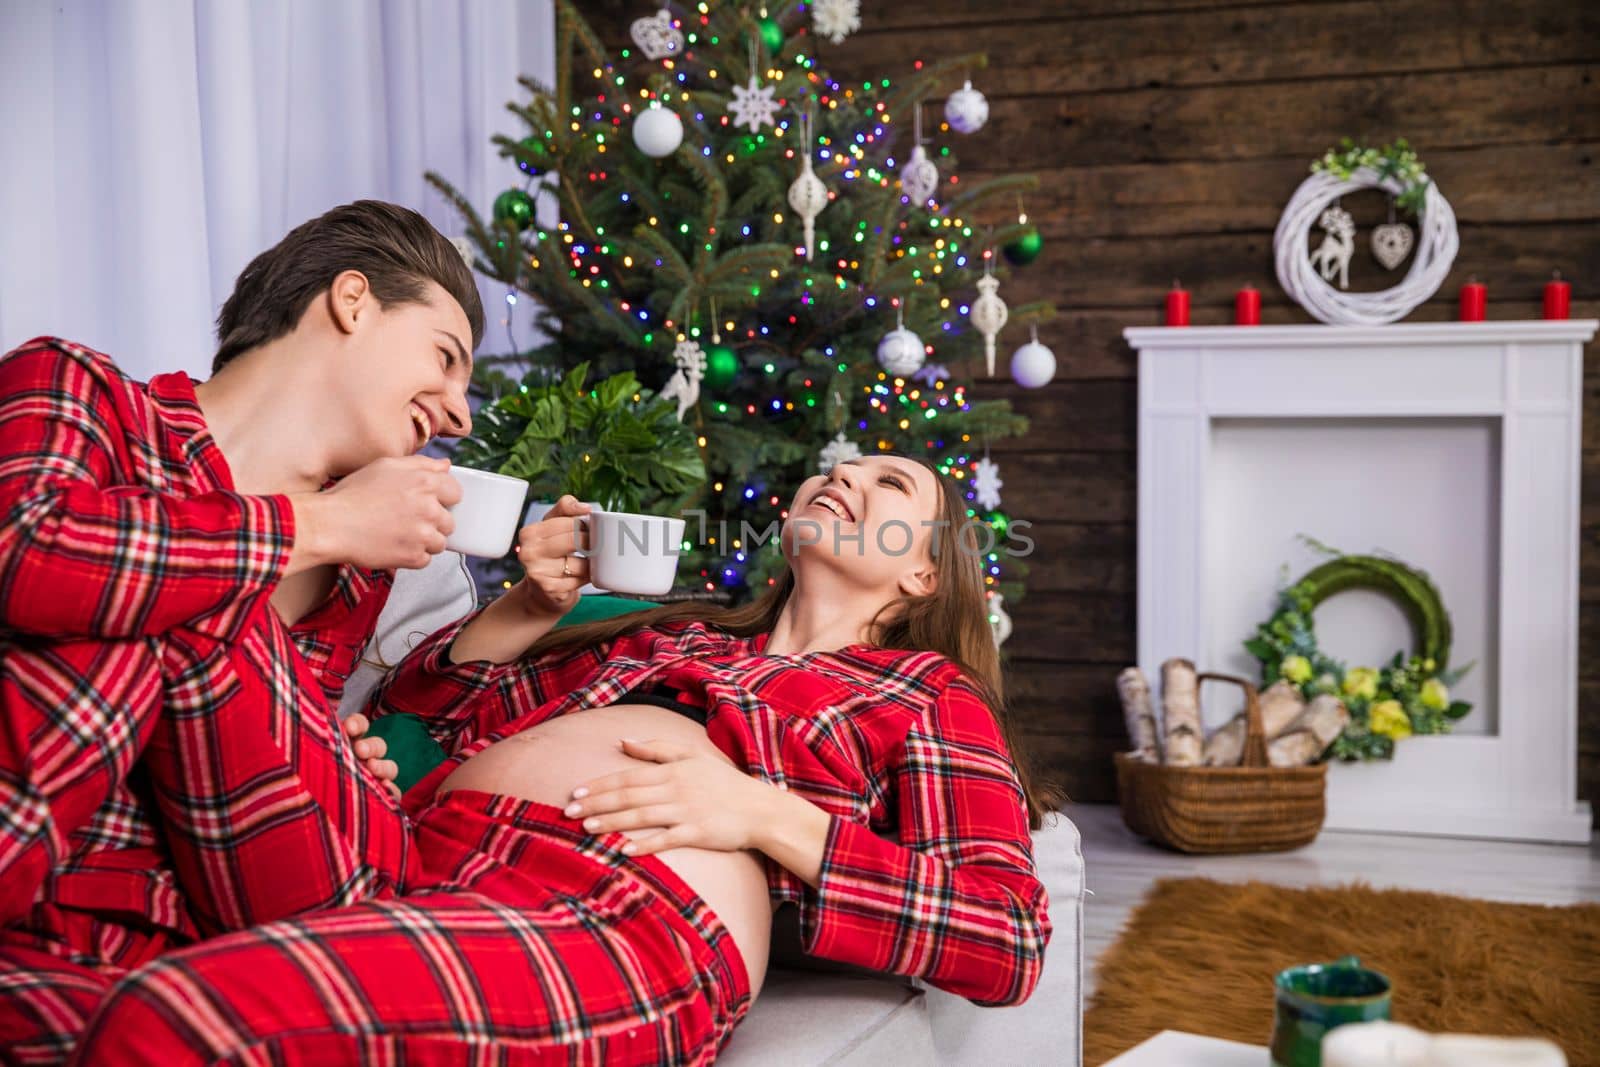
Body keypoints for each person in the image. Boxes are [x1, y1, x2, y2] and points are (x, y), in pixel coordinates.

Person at [70, 455, 1056, 1066]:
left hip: (617, 914)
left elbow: (1003, 933)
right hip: (418, 854)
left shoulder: (921, 691)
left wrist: (761, 813)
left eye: (889, 486)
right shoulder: (667, 639)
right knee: (67, 1003)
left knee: (182, 1014)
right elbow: (430, 710)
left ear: (922, 570)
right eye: (839, 467)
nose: (845, 476)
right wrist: (526, 607)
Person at [0, 200, 482, 1062]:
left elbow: (334, 890)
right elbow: (27, 551)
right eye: (446, 360)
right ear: (353, 299)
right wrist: (315, 527)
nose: (459, 416)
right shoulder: (84, 395)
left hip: (181, 991)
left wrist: (329, 758)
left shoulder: (359, 585)